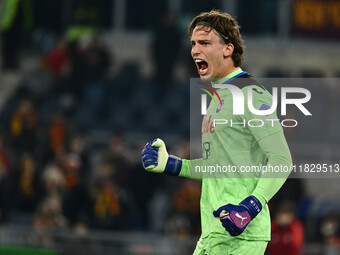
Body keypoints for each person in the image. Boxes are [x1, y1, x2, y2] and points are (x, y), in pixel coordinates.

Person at [141, 10, 292, 255]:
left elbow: (282, 160)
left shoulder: (250, 94)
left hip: (241, 236)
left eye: (204, 43)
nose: (194, 51)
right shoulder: (217, 100)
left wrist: (249, 208)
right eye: (193, 44)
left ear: (228, 49)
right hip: (213, 234)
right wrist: (173, 165)